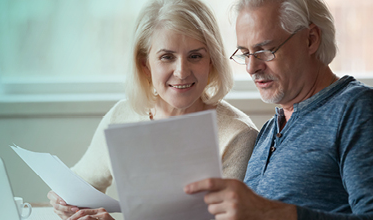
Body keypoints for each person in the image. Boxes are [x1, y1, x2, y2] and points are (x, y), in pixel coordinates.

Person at [48, 0, 259, 219]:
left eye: (195, 56)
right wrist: (65, 201)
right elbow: (82, 184)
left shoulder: (238, 135)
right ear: (145, 65)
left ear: (212, 62)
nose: (181, 71)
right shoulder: (122, 115)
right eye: (167, 57)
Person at [185, 0, 373, 219]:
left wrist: (270, 212)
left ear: (311, 39)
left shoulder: (357, 110)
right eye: (245, 53)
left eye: (264, 50)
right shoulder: (268, 131)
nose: (251, 67)